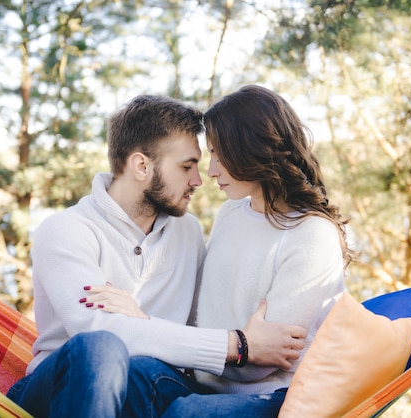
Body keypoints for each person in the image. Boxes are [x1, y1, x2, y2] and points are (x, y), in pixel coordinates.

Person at [6, 93, 306, 417]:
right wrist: (238, 346)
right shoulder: (68, 230)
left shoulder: (188, 232)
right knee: (102, 348)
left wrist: (140, 318)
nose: (198, 180)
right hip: (58, 393)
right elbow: (102, 330)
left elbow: (197, 323)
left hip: (151, 388)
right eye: (186, 167)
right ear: (141, 165)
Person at [93, 85, 356, 417]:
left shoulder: (311, 234)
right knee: (133, 372)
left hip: (276, 396)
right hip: (203, 382)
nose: (211, 170)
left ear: (253, 148)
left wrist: (162, 331)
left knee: (188, 414)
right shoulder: (230, 214)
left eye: (219, 154)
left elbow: (262, 362)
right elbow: (207, 318)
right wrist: (141, 321)